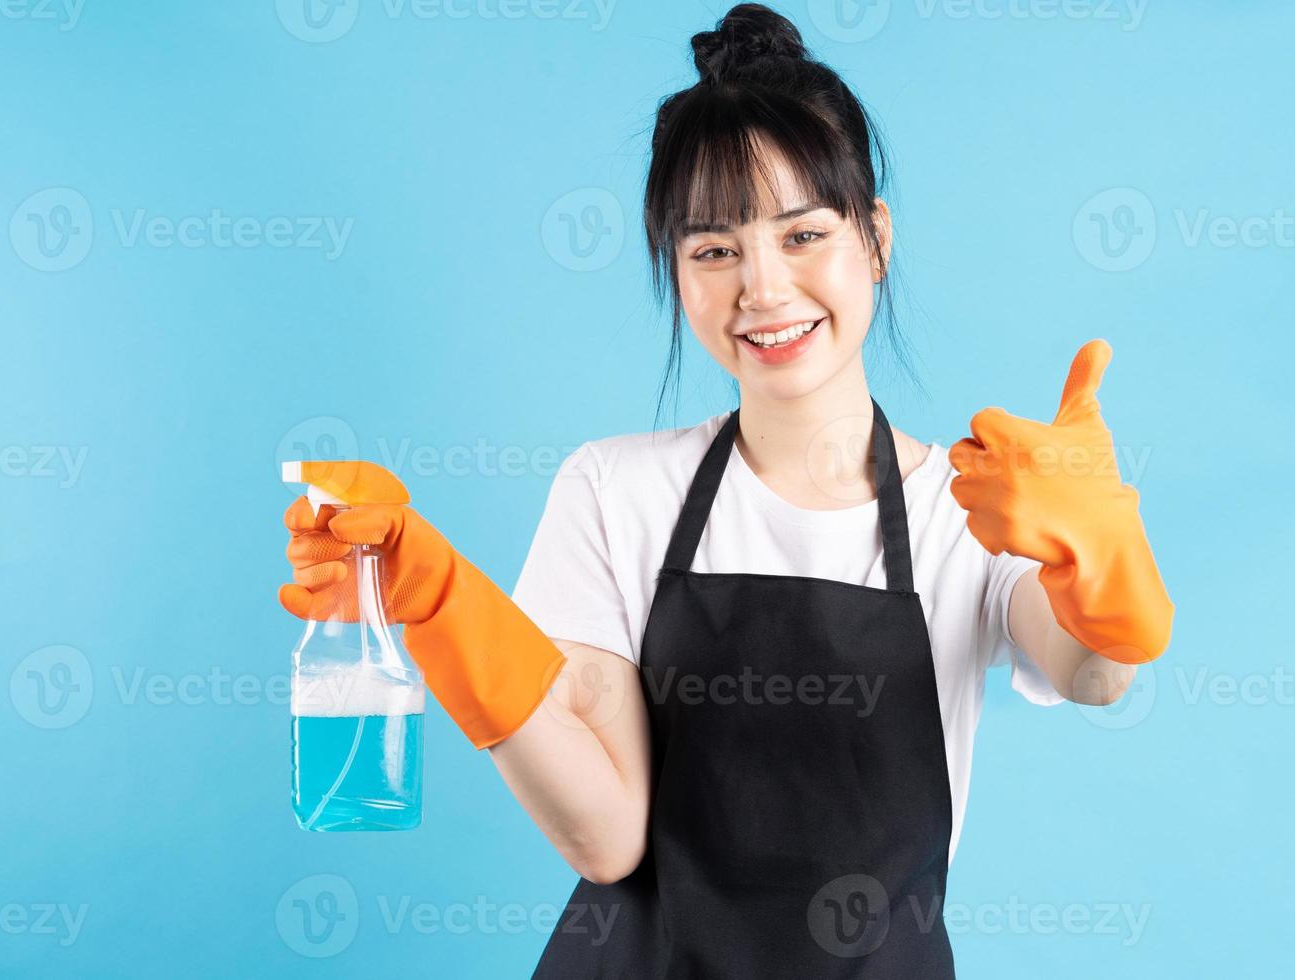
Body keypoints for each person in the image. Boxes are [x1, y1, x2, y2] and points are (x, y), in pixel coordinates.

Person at [278, 5, 1174, 976]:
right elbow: (605, 836)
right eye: (713, 249)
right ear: (676, 267)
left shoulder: (978, 507)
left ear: (872, 238)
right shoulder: (615, 490)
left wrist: (1095, 551)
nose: (761, 288)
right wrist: (445, 608)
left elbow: (1092, 674)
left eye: (802, 234)